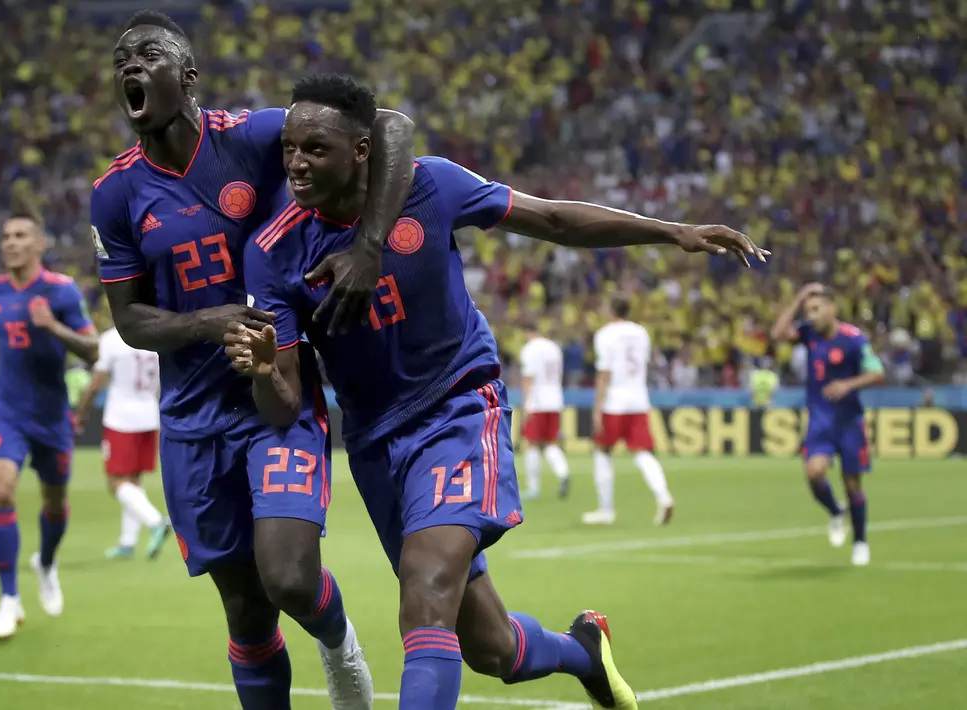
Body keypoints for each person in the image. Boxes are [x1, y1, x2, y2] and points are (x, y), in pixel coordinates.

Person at [226, 73, 765, 710]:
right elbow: (284, 407)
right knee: (490, 648)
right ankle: (582, 652)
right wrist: (265, 371)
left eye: (315, 149)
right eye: (289, 147)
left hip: (457, 407)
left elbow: (555, 219)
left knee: (424, 594)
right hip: (374, 441)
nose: (295, 163)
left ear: (362, 150)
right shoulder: (273, 251)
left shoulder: (431, 186)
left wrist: (669, 230)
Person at [91, 12, 416, 710]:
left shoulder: (253, 138)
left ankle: (337, 644)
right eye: (121, 58)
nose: (130, 65)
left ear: (187, 76)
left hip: (279, 396)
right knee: (246, 610)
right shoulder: (115, 193)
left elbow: (388, 126)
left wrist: (371, 243)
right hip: (192, 420)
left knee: (291, 579)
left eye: (148, 53)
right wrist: (207, 322)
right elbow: (128, 321)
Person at [0, 214, 100, 639]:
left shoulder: (60, 291)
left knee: (55, 504)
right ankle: (8, 599)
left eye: (20, 236)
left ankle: (47, 562)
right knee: (2, 487)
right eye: (5, 236)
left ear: (39, 244)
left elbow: (93, 350)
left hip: (51, 413)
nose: (11, 243)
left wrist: (53, 327)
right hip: (6, 406)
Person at [770, 283, 885, 566]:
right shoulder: (809, 335)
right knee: (814, 472)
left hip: (849, 422)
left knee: (852, 484)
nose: (811, 316)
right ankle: (835, 511)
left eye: (816, 309)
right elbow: (777, 334)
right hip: (820, 421)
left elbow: (877, 373)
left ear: (833, 308)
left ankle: (860, 542)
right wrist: (799, 298)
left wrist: (849, 384)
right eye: (808, 310)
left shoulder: (854, 339)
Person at [74, 327, 172, 560]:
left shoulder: (112, 339)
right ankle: (127, 543)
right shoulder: (154, 335)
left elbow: (97, 381)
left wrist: (81, 413)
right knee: (133, 480)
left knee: (116, 483)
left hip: (121, 418)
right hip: (149, 414)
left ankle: (156, 522)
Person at [583, 297, 675, 526]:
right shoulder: (642, 332)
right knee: (643, 452)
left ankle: (606, 510)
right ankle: (664, 497)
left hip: (614, 401)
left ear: (611, 309)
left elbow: (604, 373)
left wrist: (597, 408)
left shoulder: (605, 334)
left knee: (602, 451)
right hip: (639, 399)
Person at [517, 325, 570, 499]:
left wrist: (525, 405)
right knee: (550, 443)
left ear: (527, 332)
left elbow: (528, 379)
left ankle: (533, 488)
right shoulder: (554, 348)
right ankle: (563, 472)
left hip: (537, 401)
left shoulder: (530, 349)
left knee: (532, 444)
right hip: (555, 399)